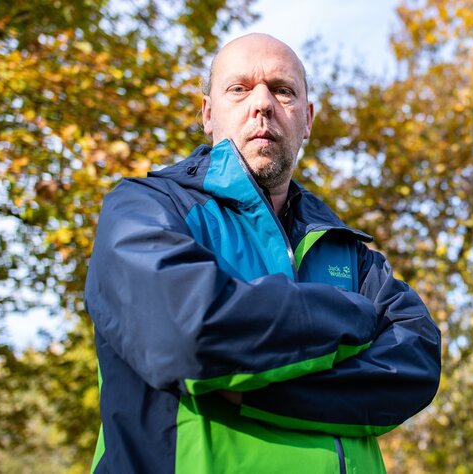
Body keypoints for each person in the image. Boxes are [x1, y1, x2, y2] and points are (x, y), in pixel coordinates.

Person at [84, 33, 442, 473]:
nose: (262, 104)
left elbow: (416, 362)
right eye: (239, 88)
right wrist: (356, 316)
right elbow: (187, 332)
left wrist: (254, 393)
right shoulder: (145, 208)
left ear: (307, 119)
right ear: (208, 114)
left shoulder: (348, 251)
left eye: (282, 90)